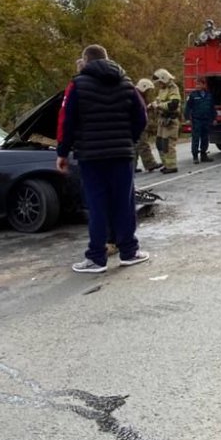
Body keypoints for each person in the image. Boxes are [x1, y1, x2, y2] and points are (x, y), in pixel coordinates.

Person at [56, 45, 150, 273]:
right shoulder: (127, 84)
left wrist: (62, 151)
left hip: (91, 156)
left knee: (97, 205)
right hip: (122, 154)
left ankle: (96, 258)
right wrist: (129, 139)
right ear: (108, 59)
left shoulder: (77, 85)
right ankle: (129, 252)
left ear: (85, 61)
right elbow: (141, 117)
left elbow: (66, 121)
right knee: (124, 203)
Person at [152, 68, 183, 173]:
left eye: (159, 82)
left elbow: (173, 104)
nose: (159, 84)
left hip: (170, 120)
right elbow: (159, 99)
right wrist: (153, 104)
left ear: (164, 79)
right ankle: (166, 164)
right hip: (162, 120)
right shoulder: (163, 89)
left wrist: (159, 106)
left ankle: (171, 166)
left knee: (168, 143)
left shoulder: (173, 88)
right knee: (160, 143)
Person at [184, 76, 216, 164]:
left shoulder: (209, 95)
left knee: (205, 138)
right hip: (196, 120)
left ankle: (203, 155)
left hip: (206, 120)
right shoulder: (193, 95)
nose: (197, 86)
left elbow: (212, 108)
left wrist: (214, 118)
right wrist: (187, 118)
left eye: (199, 84)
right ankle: (195, 156)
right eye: (196, 84)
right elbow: (187, 107)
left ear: (203, 85)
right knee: (196, 138)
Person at [134, 78, 161, 173]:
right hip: (137, 123)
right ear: (144, 87)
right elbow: (139, 109)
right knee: (143, 144)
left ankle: (132, 166)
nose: (148, 92)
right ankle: (150, 164)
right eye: (148, 90)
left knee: (135, 145)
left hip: (134, 123)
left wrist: (148, 106)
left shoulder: (136, 94)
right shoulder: (137, 95)